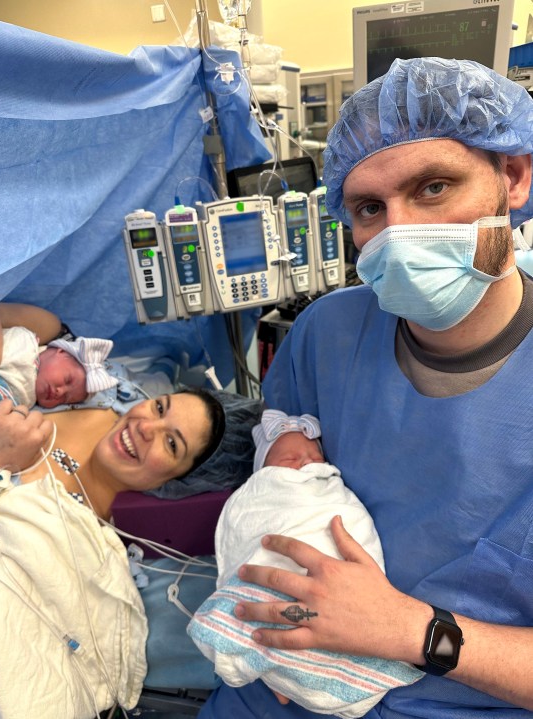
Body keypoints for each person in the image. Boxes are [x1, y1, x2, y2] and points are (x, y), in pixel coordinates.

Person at [199, 58, 533, 719]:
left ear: (514, 176)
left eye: (434, 187)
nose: (400, 231)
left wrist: (414, 630)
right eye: (369, 208)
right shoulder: (325, 335)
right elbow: (276, 496)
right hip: (269, 687)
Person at [0, 386, 225, 718]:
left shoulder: (83, 548)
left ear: (177, 482)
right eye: (160, 408)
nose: (146, 427)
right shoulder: (90, 394)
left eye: (171, 444)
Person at [188, 409, 422, 718]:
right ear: (264, 472)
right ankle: (283, 661)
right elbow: (245, 537)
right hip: (281, 594)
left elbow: (352, 523)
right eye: (290, 461)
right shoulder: (260, 495)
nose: (306, 464)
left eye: (315, 457)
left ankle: (309, 664)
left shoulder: (333, 491)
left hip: (355, 602)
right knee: (266, 610)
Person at [0, 302, 118, 408]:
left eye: (65, 399)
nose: (60, 391)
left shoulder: (26, 402)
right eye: (67, 380)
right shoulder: (25, 343)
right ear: (61, 351)